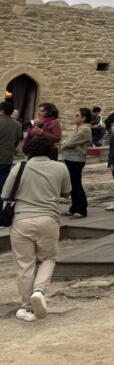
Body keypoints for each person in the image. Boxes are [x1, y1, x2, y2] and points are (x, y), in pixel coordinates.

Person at [2, 136, 72, 322]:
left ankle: (26, 307)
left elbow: (6, 194)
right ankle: (39, 291)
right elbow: (66, 192)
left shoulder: (19, 168)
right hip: (49, 219)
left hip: (22, 220)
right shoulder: (60, 167)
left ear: (28, 151)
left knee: (25, 264)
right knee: (48, 258)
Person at [59, 107, 92, 218]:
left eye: (77, 115)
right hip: (71, 158)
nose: (75, 117)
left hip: (76, 159)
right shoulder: (78, 128)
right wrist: (65, 144)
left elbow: (69, 142)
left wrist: (63, 146)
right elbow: (68, 140)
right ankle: (74, 208)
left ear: (84, 118)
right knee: (72, 184)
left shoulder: (84, 129)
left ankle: (81, 210)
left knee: (76, 184)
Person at [1, 100, 22, 192]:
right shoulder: (18, 125)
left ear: (2, 111)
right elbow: (17, 141)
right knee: (2, 187)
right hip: (7, 158)